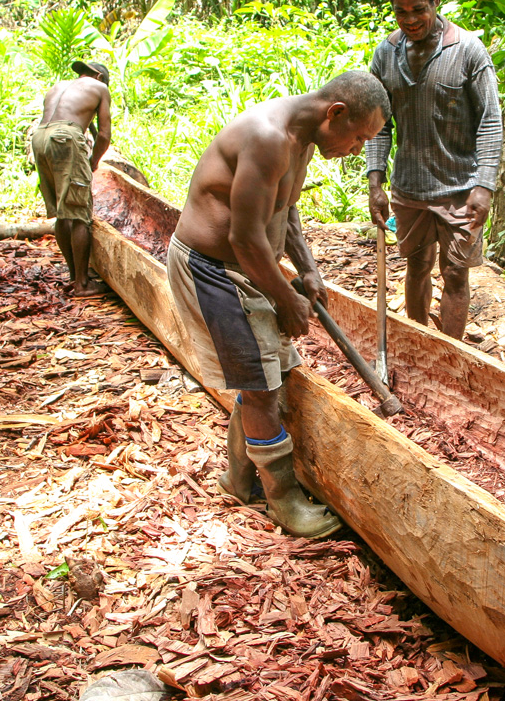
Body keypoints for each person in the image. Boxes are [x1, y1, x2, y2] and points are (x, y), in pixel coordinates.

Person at [167, 71, 390, 538]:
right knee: (264, 384)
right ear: (336, 114)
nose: (355, 150)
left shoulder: (303, 138)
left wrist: (307, 268)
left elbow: (284, 210)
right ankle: (284, 500)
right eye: (358, 138)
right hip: (214, 269)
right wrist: (284, 297)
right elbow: (244, 237)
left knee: (267, 373)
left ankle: (238, 478)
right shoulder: (269, 139)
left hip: (246, 268)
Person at [365, 0, 502, 340]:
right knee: (417, 265)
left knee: (456, 272)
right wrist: (376, 182)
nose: (410, 20)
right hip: (409, 190)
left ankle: (452, 353)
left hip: (460, 189)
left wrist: (484, 186)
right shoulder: (386, 56)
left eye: (419, 10)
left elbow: (491, 122)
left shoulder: (468, 52)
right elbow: (378, 126)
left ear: (436, 1)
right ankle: (418, 344)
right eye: (401, 12)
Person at [32, 60, 112, 297]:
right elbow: (105, 135)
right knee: (79, 213)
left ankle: (73, 275)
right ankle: (83, 284)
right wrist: (94, 161)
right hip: (65, 136)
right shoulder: (99, 88)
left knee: (62, 211)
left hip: (39, 137)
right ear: (99, 77)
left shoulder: (59, 86)